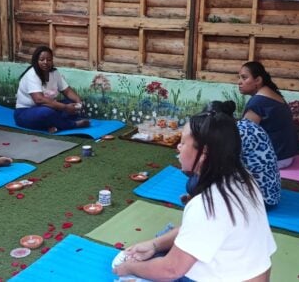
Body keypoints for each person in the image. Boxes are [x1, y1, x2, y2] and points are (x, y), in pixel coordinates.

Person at [113, 110, 276, 281]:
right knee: (170, 237)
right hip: (251, 274)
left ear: (204, 153)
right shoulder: (244, 178)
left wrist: (129, 268)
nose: (179, 147)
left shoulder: (207, 205)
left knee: (136, 276)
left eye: (183, 142)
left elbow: (170, 270)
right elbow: (202, 231)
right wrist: (154, 245)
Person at [189, 101, 281, 206]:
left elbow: (218, 169)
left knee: (192, 184)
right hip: (272, 192)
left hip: (259, 200)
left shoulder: (231, 135)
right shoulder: (247, 125)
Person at [13, 46, 89, 133]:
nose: (45, 62)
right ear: (36, 61)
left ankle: (55, 125)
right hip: (26, 112)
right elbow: (39, 100)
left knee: (70, 104)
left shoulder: (54, 73)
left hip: (49, 107)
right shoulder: (32, 74)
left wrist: (78, 102)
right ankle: (73, 125)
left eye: (48, 60)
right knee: (47, 112)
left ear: (52, 61)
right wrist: (65, 108)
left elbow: (67, 90)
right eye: (41, 60)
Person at [238, 61, 298, 169]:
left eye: (244, 78)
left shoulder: (258, 102)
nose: (239, 82)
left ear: (258, 80)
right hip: (286, 156)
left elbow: (244, 137)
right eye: (239, 78)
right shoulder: (273, 95)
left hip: (274, 159)